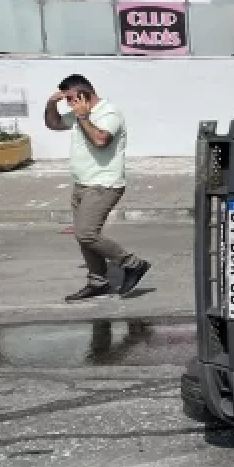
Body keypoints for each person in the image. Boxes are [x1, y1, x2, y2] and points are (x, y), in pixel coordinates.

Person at [43, 74, 151, 301]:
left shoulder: (109, 113)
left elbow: (101, 140)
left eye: (70, 98)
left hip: (104, 184)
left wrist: (83, 117)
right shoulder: (78, 114)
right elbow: (53, 124)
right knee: (83, 236)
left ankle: (132, 264)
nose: (69, 104)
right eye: (66, 100)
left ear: (83, 93)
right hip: (82, 183)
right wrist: (51, 103)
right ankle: (98, 282)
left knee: (86, 234)